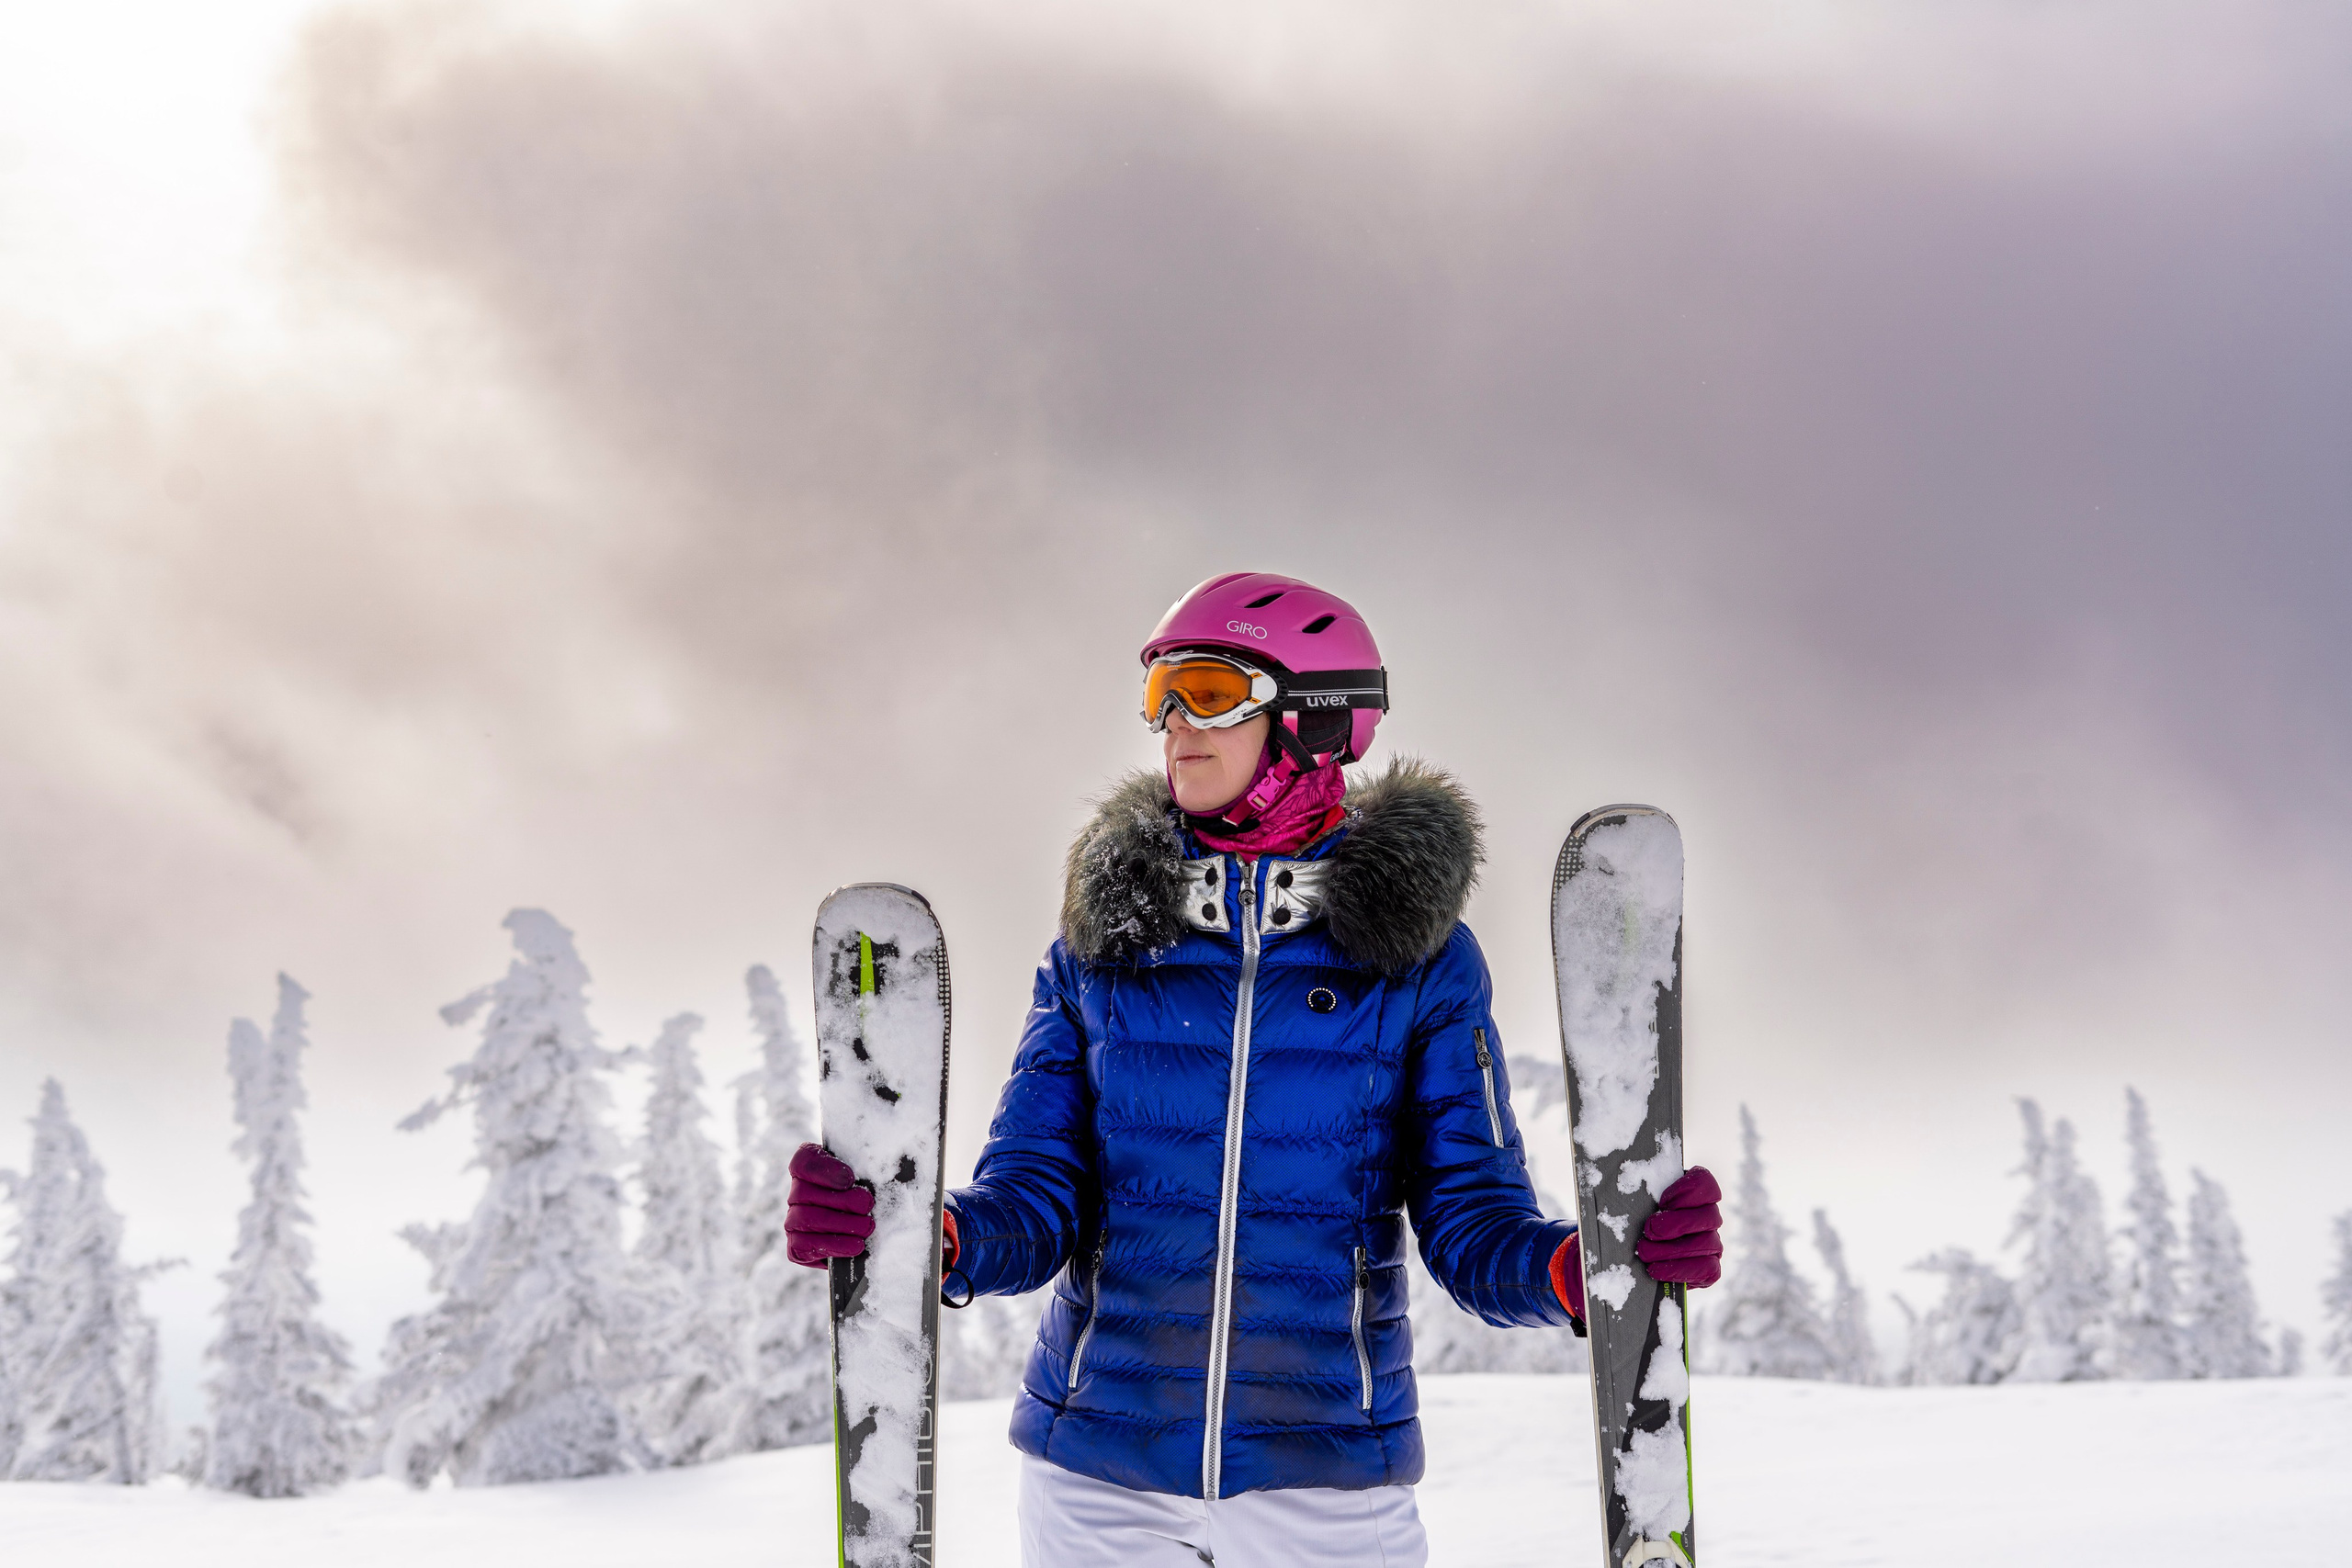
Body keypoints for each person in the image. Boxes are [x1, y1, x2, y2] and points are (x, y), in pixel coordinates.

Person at [786, 571, 1724, 1567]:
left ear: (1315, 724)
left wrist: (1575, 1271)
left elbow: (1470, 1217)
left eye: (1210, 691)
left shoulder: (1421, 965)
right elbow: (1038, 1194)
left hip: (1326, 1481)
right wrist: (935, 1236)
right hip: (1100, 1474)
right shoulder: (1097, 952)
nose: (1175, 725)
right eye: (1160, 697)